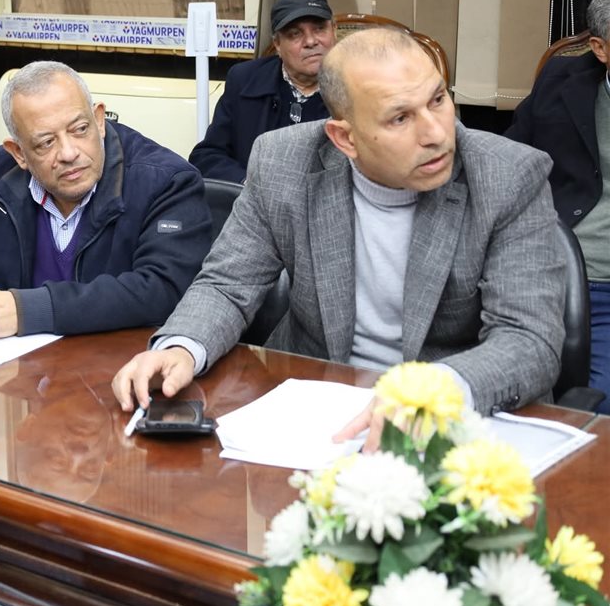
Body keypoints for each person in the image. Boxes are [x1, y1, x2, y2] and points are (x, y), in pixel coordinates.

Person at [113, 28, 565, 447]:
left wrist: (435, 390)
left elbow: (529, 339)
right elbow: (228, 283)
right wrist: (182, 346)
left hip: (449, 416)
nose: (435, 133)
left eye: (438, 100)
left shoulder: (508, 175)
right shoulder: (282, 161)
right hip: (316, 410)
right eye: (400, 118)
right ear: (344, 139)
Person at [0, 61, 214, 338]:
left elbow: (163, 289)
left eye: (80, 129)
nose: (69, 153)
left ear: (99, 120)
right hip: (15, 372)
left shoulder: (166, 182)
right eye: (46, 142)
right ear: (19, 153)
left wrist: (26, 311)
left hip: (115, 368)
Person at [506, 0, 610, 413]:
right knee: (509, 389)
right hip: (556, 268)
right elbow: (512, 160)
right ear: (601, 49)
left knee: (598, 404)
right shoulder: (560, 80)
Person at [188, 0, 336, 182]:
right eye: (295, 34)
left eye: (319, 29)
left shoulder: (358, 86)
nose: (310, 41)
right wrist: (251, 186)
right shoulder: (244, 80)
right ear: (277, 44)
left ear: (334, 30)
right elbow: (207, 156)